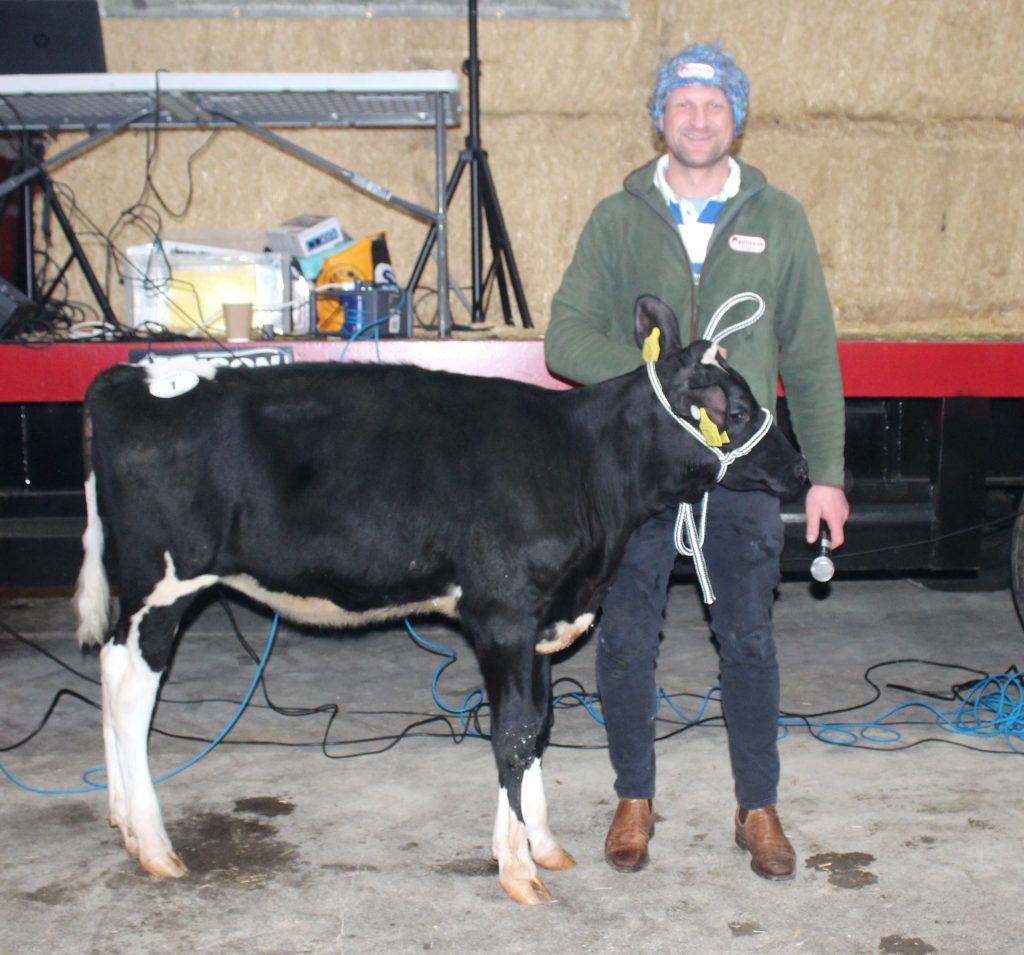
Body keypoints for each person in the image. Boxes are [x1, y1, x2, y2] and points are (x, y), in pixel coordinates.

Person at [544, 40, 850, 881]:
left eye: (715, 105)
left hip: (740, 470)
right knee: (626, 635)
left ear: (737, 120)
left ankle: (758, 807)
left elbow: (813, 353)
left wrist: (827, 473)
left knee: (748, 635)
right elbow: (565, 336)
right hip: (637, 468)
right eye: (682, 104)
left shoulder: (778, 217)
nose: (699, 118)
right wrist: (660, 382)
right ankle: (634, 799)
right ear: (660, 118)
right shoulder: (619, 216)